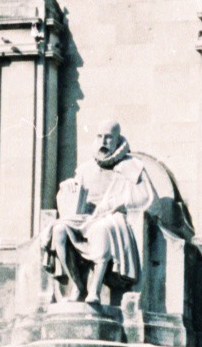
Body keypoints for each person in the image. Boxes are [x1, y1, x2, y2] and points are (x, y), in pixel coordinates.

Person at [40, 121, 157, 305]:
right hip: (85, 219)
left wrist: (120, 202)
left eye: (109, 137)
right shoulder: (85, 169)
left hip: (113, 218)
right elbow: (72, 201)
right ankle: (78, 284)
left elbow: (147, 198)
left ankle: (94, 290)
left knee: (102, 229)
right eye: (100, 136)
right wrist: (67, 187)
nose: (104, 141)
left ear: (117, 140)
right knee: (59, 230)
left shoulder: (131, 166)